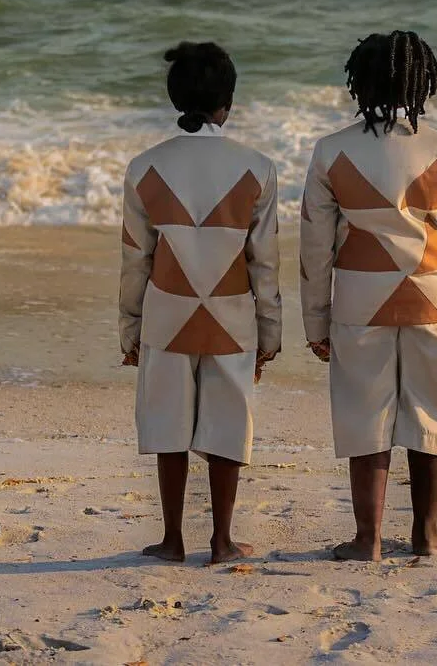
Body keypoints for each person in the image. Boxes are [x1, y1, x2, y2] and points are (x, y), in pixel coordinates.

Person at [299, 30, 437, 561]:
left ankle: (368, 538)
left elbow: (314, 246)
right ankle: (426, 534)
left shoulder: (331, 151)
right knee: (432, 413)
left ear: (360, 83)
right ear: (422, 81)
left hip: (359, 297)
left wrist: (317, 323)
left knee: (364, 413)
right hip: (431, 296)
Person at [119, 41, 281, 564]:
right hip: (232, 313)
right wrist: (270, 333)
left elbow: (136, 260)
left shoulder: (144, 168)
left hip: (166, 311)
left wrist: (129, 329)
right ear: (226, 104)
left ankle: (171, 539)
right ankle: (222, 540)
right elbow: (264, 262)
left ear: (174, 99)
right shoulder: (257, 169)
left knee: (168, 424)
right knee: (228, 424)